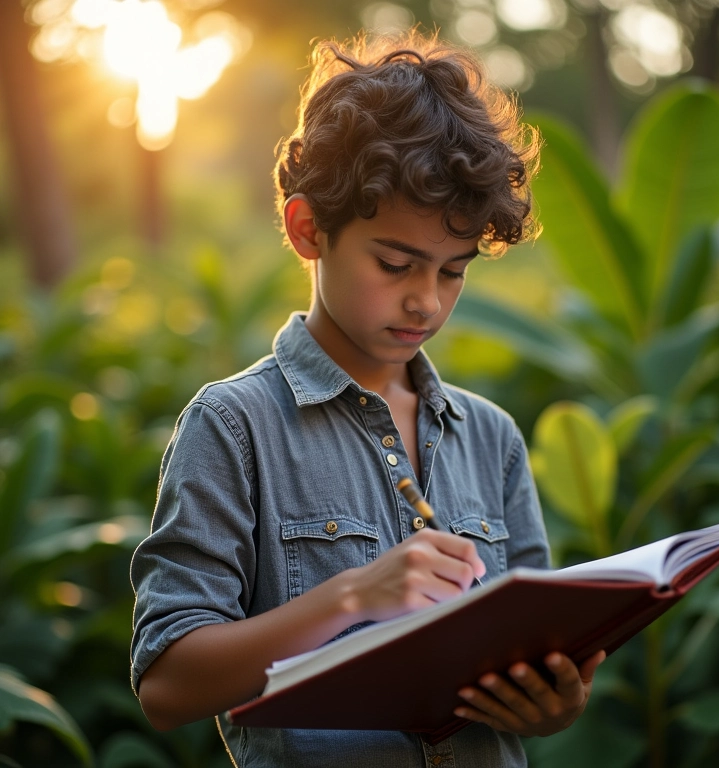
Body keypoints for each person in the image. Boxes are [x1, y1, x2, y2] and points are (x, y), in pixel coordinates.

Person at [130, 28, 604, 767]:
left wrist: (554, 705)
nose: (425, 302)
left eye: (452, 272)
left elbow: (529, 660)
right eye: (395, 263)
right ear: (308, 228)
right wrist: (354, 598)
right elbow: (165, 684)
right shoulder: (233, 427)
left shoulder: (493, 437)